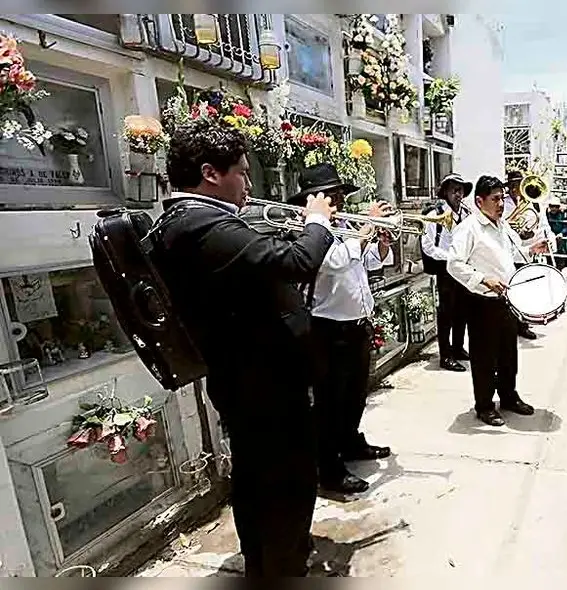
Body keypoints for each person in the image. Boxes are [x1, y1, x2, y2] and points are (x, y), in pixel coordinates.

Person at [151, 119, 336, 576]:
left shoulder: (198, 223)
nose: (249, 184)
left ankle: (274, 558)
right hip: (262, 384)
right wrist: (316, 222)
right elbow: (296, 261)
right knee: (283, 484)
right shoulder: (199, 224)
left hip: (253, 379)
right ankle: (280, 565)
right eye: (242, 172)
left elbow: (256, 264)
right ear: (211, 173)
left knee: (261, 482)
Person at [291, 163, 395, 496]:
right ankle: (330, 470)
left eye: (339, 195)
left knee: (354, 396)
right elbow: (333, 264)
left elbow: (369, 265)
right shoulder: (304, 230)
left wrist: (380, 241)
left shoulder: (346, 226)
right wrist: (364, 232)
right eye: (331, 196)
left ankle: (351, 443)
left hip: (356, 325)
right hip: (327, 329)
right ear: (312, 199)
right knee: (329, 404)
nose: (338, 203)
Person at [447, 175, 548, 426]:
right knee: (484, 357)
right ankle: (484, 405)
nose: (501, 204)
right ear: (480, 201)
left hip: (506, 299)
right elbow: (454, 264)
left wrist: (532, 250)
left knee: (508, 354)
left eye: (502, 198)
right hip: (481, 302)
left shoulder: (502, 226)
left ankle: (509, 397)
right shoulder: (468, 228)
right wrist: (483, 279)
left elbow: (511, 255)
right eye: (495, 199)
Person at [422, 173, 474, 372]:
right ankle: (446, 355)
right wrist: (450, 257)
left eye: (460, 190)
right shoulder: (435, 213)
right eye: (454, 190)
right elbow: (427, 246)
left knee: (462, 311)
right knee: (446, 314)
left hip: (463, 268)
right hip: (445, 268)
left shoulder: (467, 213)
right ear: (445, 192)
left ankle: (458, 348)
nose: (458, 194)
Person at [503, 169, 553, 340]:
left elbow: (543, 225)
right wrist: (517, 234)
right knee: (510, 290)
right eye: (512, 186)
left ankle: (523, 325)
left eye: (517, 185)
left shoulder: (535, 204)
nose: (515, 189)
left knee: (526, 290)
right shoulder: (503, 204)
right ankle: (510, 324)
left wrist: (543, 239)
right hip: (509, 254)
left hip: (529, 253)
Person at [546, 196, 567, 270]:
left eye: (556, 206)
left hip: (561, 238)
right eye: (551, 206)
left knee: (561, 256)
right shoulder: (547, 215)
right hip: (550, 237)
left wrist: (561, 233)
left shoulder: (563, 214)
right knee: (550, 257)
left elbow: (566, 226)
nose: (553, 208)